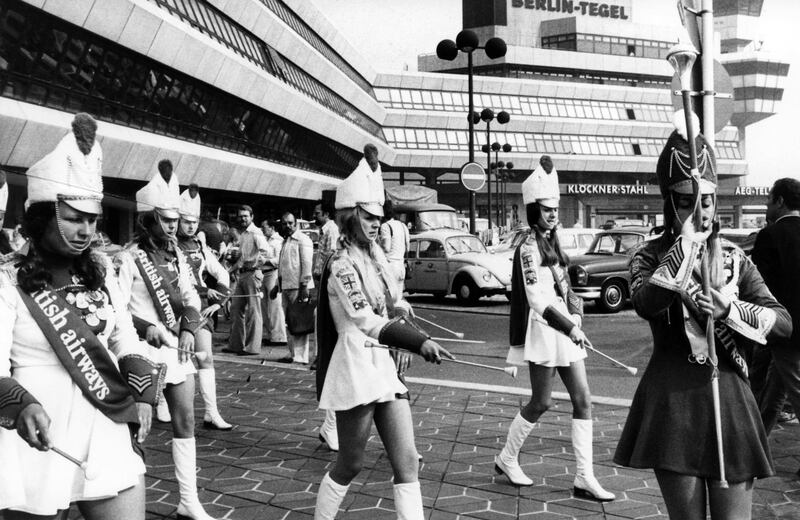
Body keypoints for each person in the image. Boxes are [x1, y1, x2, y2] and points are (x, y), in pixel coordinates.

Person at [613, 112, 792, 519]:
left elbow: (782, 322)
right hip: (672, 403)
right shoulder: (649, 255)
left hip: (729, 399)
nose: (700, 210)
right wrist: (685, 249)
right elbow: (646, 303)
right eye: (686, 201)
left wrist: (731, 308)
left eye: (707, 200)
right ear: (669, 203)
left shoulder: (734, 256)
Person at [0, 113, 163, 519]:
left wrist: (141, 393)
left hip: (104, 418)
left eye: (92, 220)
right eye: (74, 218)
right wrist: (20, 405)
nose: (86, 231)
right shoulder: (7, 280)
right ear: (41, 217)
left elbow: (124, 338)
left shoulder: (100, 272)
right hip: (36, 427)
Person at [313, 143, 452, 519]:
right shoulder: (341, 264)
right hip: (357, 366)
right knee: (351, 464)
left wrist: (403, 310)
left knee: (407, 463)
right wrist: (418, 340)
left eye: (379, 216)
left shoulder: (375, 258)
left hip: (383, 367)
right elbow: (365, 320)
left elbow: (388, 305)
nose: (377, 223)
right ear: (350, 216)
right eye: (369, 216)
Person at [495, 155, 615, 501]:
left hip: (566, 331)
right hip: (546, 332)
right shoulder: (529, 249)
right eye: (546, 209)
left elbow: (567, 291)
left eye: (555, 209)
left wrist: (577, 317)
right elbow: (537, 299)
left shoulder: (554, 244)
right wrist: (568, 326)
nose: (552, 214)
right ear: (534, 210)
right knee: (542, 402)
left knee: (584, 400)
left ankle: (584, 477)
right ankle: (506, 457)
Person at [117, 160, 218, 520]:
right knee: (134, 428)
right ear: (148, 219)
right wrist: (147, 327)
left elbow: (192, 299)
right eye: (167, 220)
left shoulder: (177, 256)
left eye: (177, 220)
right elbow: (116, 310)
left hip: (175, 346)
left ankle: (188, 500)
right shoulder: (129, 259)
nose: (174, 227)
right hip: (137, 348)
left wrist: (189, 329)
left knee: (186, 421)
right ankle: (127, 503)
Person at [178, 187, 233, 431]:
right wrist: (204, 292)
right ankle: (162, 405)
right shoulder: (167, 247)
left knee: (205, 357)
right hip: (173, 306)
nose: (189, 226)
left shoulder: (200, 247)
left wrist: (217, 301)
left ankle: (211, 412)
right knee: (177, 357)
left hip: (198, 310)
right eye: (184, 221)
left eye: (193, 222)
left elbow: (221, 273)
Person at [750, 178, 800, 437]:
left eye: (769, 199)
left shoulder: (770, 236)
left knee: (794, 390)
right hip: (790, 333)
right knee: (775, 390)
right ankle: (756, 447)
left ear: (780, 201)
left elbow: (758, 287)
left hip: (783, 329)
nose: (766, 204)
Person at [224, 205, 267, 356]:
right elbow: (241, 258)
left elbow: (265, 252)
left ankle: (252, 347)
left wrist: (256, 265)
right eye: (240, 216)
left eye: (245, 216)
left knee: (254, 311)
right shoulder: (243, 234)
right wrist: (232, 269)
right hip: (242, 275)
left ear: (252, 217)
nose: (242, 218)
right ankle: (235, 344)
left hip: (252, 274)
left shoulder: (256, 233)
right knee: (236, 309)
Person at [272, 211, 314, 364]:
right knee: (290, 321)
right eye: (285, 223)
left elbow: (307, 264)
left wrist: (304, 285)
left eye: (290, 223)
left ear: (295, 224)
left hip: (298, 287)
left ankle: (300, 356)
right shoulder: (286, 241)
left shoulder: (303, 240)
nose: (288, 226)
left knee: (300, 321)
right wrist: (276, 286)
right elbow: (283, 266)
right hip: (286, 287)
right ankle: (293, 354)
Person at [260, 219, 287, 351]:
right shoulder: (264, 240)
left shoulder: (278, 241)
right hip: (263, 273)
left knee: (275, 306)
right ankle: (270, 334)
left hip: (273, 273)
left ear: (271, 227)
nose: (262, 229)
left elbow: (279, 259)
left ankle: (279, 336)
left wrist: (266, 260)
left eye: (264, 227)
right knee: (264, 306)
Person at [379, 199, 410, 292]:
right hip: (401, 266)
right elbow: (407, 248)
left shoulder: (386, 226)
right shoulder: (403, 226)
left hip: (390, 266)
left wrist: (379, 244)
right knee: (398, 298)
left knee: (389, 299)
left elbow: (387, 248)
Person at [313, 200, 340, 282]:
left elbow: (332, 256)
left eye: (317, 213)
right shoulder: (325, 230)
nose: (314, 215)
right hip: (323, 277)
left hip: (328, 278)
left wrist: (325, 276)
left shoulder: (331, 230)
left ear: (326, 214)